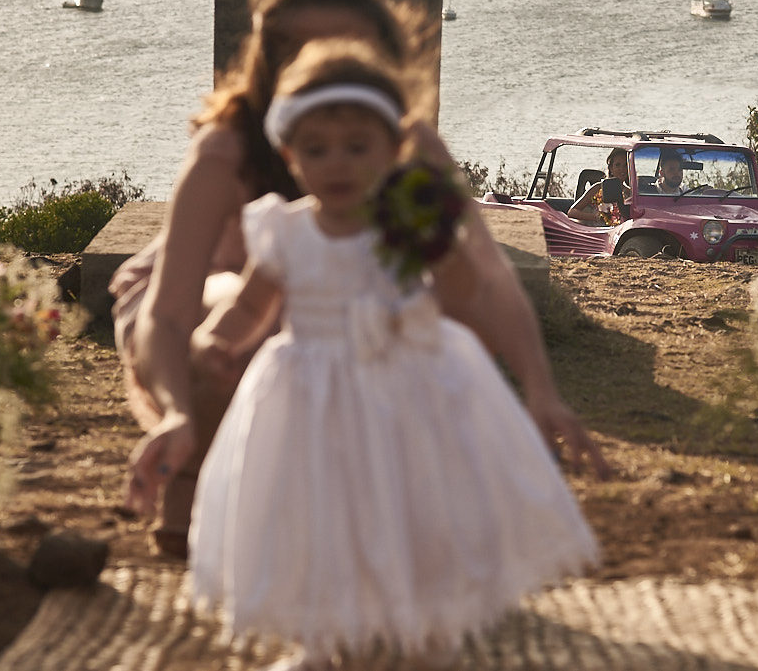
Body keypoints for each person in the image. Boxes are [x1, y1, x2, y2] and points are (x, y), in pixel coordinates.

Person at [118, 0, 609, 556]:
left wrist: (539, 387)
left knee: (434, 322)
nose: (325, 67)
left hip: (343, 300)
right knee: (254, 326)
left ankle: (370, 515)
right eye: (300, 51)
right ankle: (195, 481)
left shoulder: (408, 150)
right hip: (199, 306)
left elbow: (486, 277)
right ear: (269, 63)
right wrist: (173, 410)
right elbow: (166, 314)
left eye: (347, 50)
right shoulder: (229, 150)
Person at [187, 37, 599, 671]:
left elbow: (465, 295)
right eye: (317, 149)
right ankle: (326, 640)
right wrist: (220, 338)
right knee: (322, 513)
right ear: (291, 156)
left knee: (413, 511)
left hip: (406, 391)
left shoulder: (405, 221)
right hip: (311, 398)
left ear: (391, 150)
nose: (338, 163)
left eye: (358, 146)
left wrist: (444, 239)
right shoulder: (285, 229)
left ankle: (422, 636)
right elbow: (253, 305)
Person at [568, 147, 630, 225]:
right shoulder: (598, 188)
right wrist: (596, 217)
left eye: (625, 165)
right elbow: (572, 212)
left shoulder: (630, 193)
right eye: (618, 165)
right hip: (594, 231)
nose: (622, 169)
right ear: (611, 168)